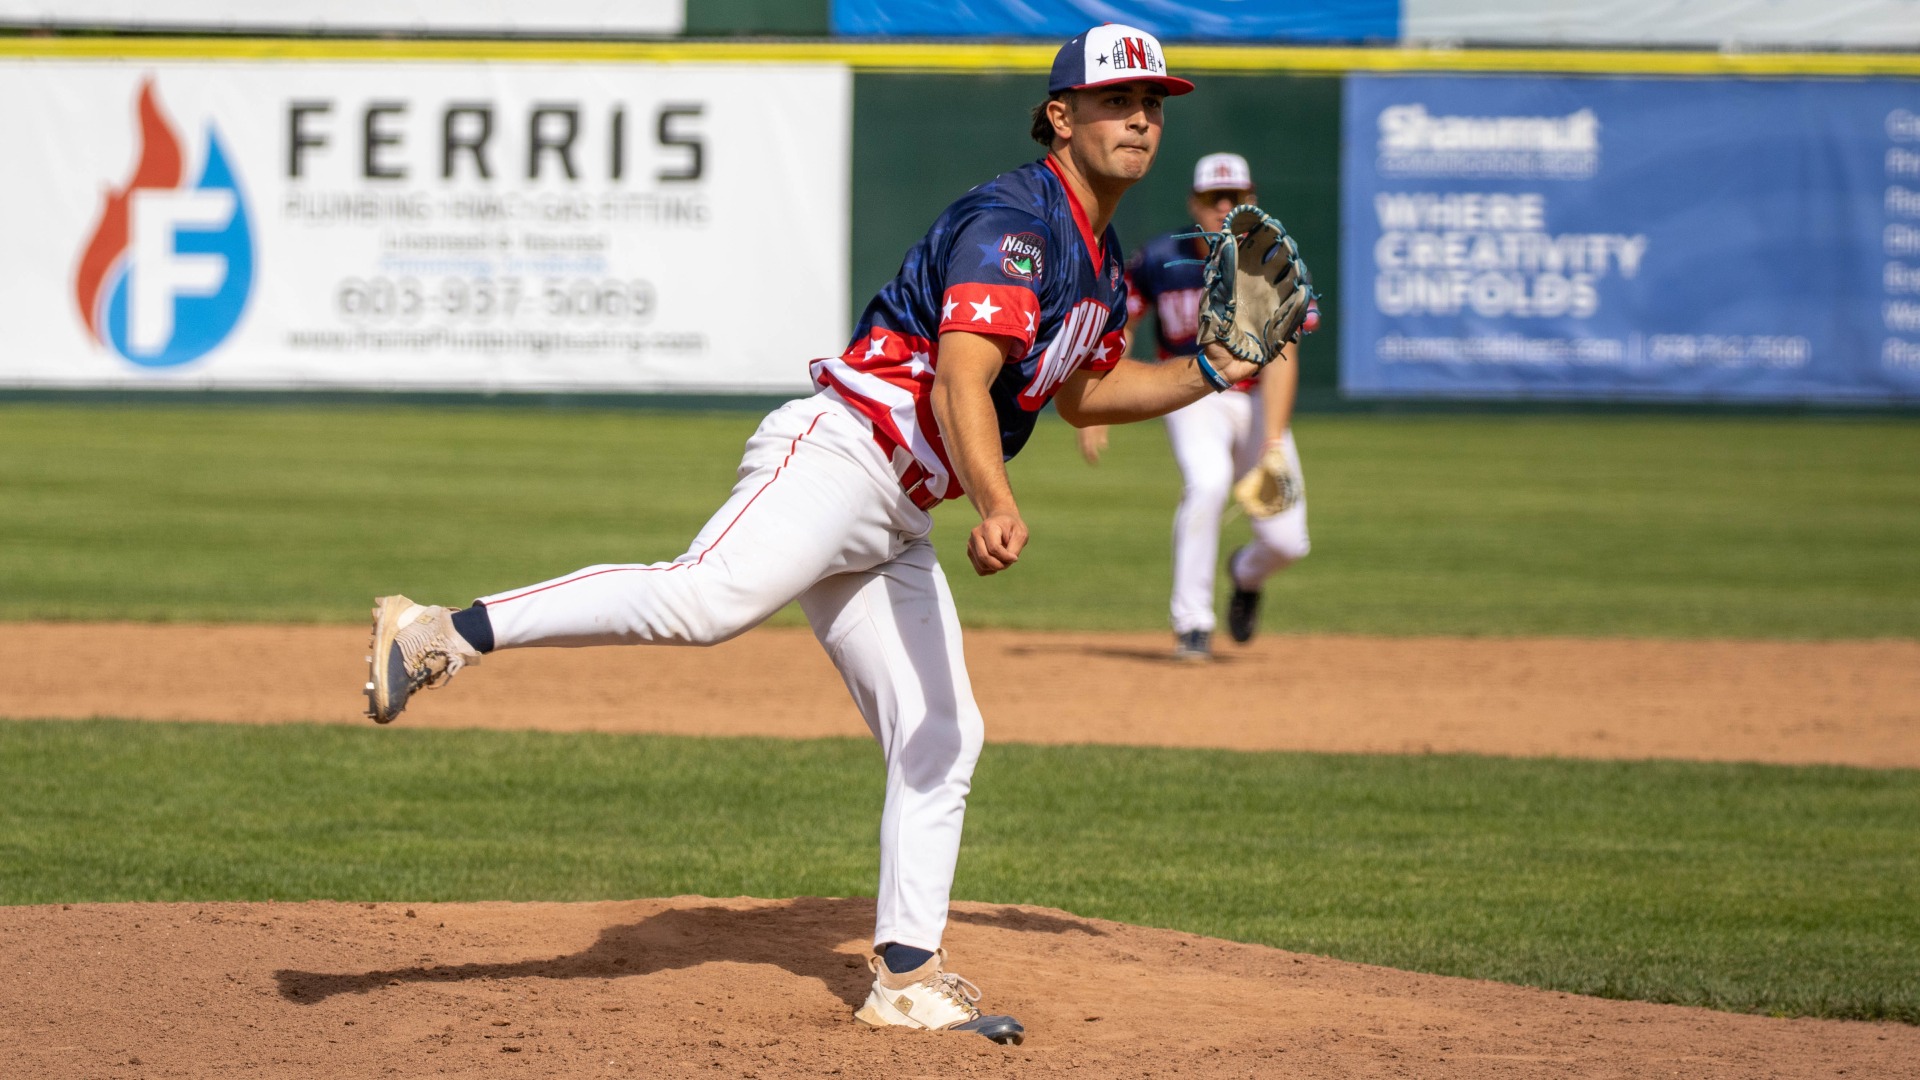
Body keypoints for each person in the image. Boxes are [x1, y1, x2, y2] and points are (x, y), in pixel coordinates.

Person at [361, 25, 1281, 1044]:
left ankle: (904, 976)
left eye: (1154, 103)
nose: (1142, 119)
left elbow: (1083, 392)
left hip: (893, 514)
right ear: (1062, 116)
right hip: (842, 453)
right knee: (703, 599)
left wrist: (1212, 368)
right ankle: (438, 631)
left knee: (943, 730)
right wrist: (996, 502)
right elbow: (962, 376)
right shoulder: (1015, 223)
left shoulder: (1101, 264)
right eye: (1118, 100)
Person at [1077, 152, 1312, 662]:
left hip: (1256, 401)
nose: (1225, 206)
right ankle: (1193, 625)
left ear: (1252, 201)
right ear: (1195, 202)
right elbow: (1123, 321)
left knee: (1288, 541)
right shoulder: (1163, 256)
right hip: (1190, 392)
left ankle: (1245, 575)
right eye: (1213, 198)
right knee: (1205, 484)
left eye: (1236, 196)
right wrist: (1094, 402)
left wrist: (1271, 442)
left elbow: (1283, 358)